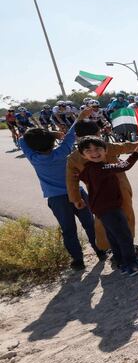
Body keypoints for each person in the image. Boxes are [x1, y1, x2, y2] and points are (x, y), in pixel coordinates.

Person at [19, 108, 102, 270]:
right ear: (51, 143)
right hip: (77, 193)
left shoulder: (34, 158)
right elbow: (72, 133)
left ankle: (78, 260)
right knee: (89, 224)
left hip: (56, 199)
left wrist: (50, 134)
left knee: (68, 229)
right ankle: (100, 251)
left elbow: (23, 139)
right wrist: (59, 132)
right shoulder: (63, 151)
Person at [67, 119, 138, 262]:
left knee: (105, 223)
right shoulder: (104, 146)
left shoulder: (74, 156)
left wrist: (76, 199)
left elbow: (71, 180)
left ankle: (111, 249)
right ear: (97, 133)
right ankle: (129, 253)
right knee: (125, 218)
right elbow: (125, 147)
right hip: (119, 187)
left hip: (97, 194)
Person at [76, 136, 138, 276]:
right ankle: (132, 264)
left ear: (106, 151)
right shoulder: (101, 167)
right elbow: (125, 166)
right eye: (88, 150)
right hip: (110, 208)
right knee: (124, 236)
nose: (94, 152)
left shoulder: (88, 168)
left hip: (100, 209)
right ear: (82, 154)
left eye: (97, 148)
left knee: (114, 237)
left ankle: (122, 264)